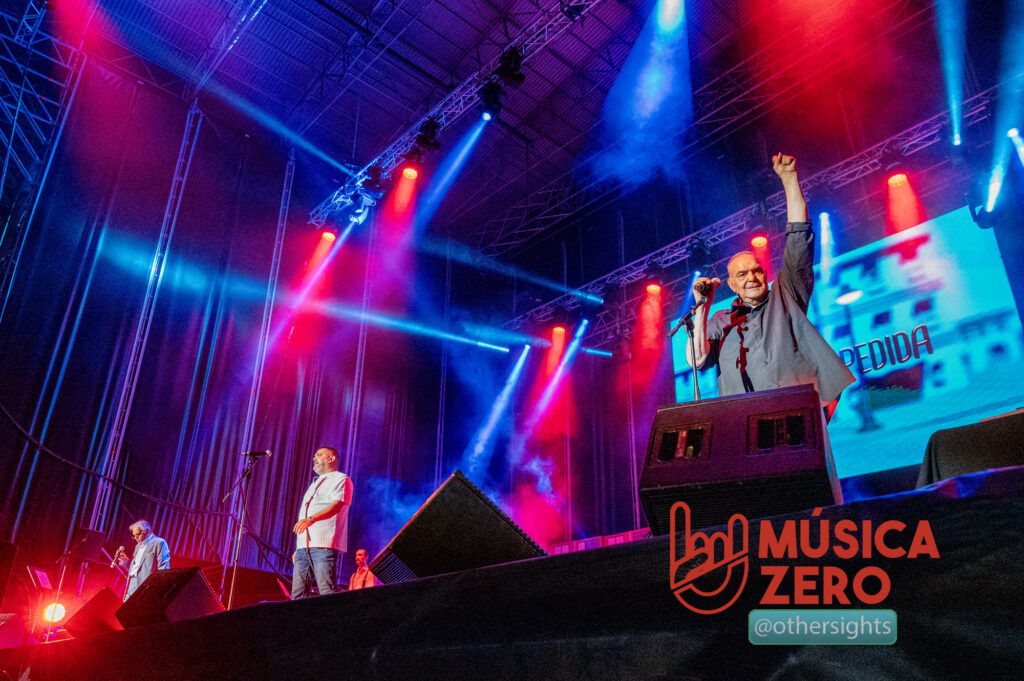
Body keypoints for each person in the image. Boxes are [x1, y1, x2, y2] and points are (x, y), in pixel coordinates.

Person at [686, 153, 855, 413]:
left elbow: (799, 234)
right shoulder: (719, 320)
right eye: (742, 275)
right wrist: (701, 307)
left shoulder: (786, 295)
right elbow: (697, 360)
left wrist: (789, 179)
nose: (752, 278)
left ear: (766, 275)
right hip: (745, 422)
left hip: (800, 412)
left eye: (757, 271)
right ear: (732, 285)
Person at [291, 446, 353, 599]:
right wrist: (300, 546)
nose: (314, 458)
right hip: (304, 548)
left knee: (327, 591)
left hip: (324, 545)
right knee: (297, 595)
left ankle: (333, 622)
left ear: (331, 459)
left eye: (318, 455)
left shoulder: (341, 479)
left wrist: (311, 519)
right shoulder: (315, 483)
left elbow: (336, 505)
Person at [116, 520, 171, 601]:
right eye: (133, 536)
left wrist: (156, 588)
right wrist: (125, 561)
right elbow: (136, 569)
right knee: (126, 610)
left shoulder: (159, 543)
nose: (135, 538)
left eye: (137, 535)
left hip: (146, 585)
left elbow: (164, 568)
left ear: (147, 531)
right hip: (131, 583)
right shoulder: (138, 546)